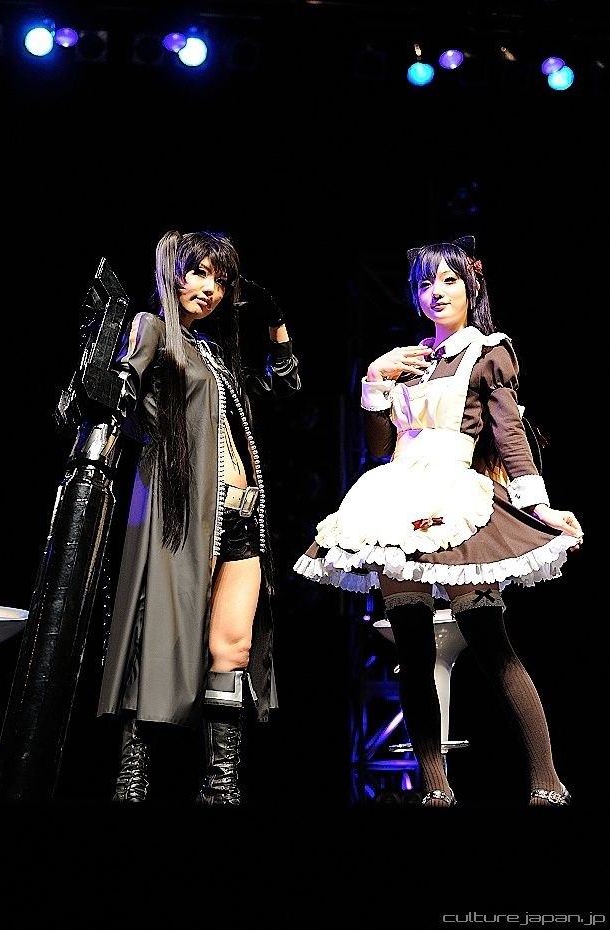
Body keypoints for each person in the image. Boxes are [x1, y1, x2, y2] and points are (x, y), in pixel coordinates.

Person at [294, 235, 582, 807]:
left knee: (490, 638)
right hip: (395, 496)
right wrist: (375, 379)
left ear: (470, 286)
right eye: (426, 284)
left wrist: (539, 505)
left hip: (456, 496)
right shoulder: (409, 360)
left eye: (449, 280)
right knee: (412, 645)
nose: (437, 292)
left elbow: (509, 434)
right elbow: (381, 446)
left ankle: (546, 781)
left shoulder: (488, 351)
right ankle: (435, 788)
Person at [97, 228, 300, 805]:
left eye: (221, 280)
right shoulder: (153, 328)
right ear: (174, 274)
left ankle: (220, 787)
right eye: (199, 272)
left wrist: (275, 321)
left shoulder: (213, 352)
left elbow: (285, 387)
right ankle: (131, 782)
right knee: (158, 637)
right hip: (182, 511)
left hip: (242, 517)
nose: (210, 289)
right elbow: (120, 389)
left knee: (232, 649)